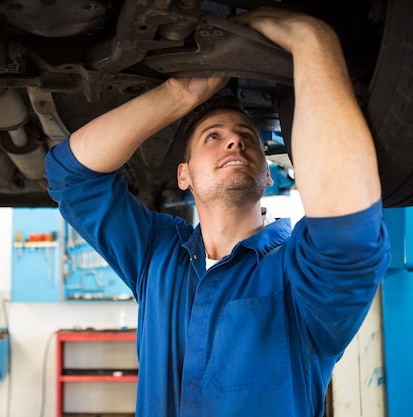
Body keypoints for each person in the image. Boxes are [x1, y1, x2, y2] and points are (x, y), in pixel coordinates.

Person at [45, 7, 391, 417]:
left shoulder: (295, 272)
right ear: (183, 175)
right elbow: (72, 176)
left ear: (267, 175)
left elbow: (348, 239)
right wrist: (180, 95)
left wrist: (312, 41)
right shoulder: (157, 255)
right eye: (214, 136)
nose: (234, 143)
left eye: (247, 137)